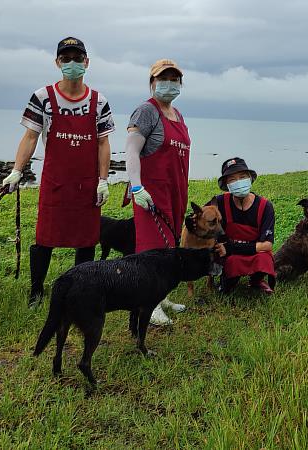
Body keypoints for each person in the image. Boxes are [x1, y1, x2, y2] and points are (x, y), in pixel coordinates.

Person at [2, 37, 114, 306]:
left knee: (86, 240)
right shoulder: (43, 97)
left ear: (86, 63)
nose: (72, 63)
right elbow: (30, 137)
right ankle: (36, 291)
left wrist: (103, 180)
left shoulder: (99, 101)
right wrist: (17, 171)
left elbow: (103, 143)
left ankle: (81, 291)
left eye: (77, 58)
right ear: (57, 63)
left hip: (87, 183)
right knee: (45, 238)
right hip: (55, 182)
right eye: (66, 59)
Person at [124, 59, 191, 325]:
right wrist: (136, 186)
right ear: (152, 83)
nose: (170, 84)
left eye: (175, 79)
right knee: (151, 250)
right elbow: (131, 151)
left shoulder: (178, 115)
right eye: (164, 79)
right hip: (151, 194)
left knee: (168, 248)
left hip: (175, 192)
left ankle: (161, 296)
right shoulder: (146, 112)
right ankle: (146, 304)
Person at [212, 157, 276, 295]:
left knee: (264, 259)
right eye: (232, 180)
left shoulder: (265, 206)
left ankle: (256, 280)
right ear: (227, 185)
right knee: (227, 285)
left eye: (242, 177)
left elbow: (267, 245)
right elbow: (201, 217)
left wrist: (230, 247)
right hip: (230, 256)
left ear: (250, 179)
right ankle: (226, 282)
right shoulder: (220, 202)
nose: (238, 182)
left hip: (251, 253)